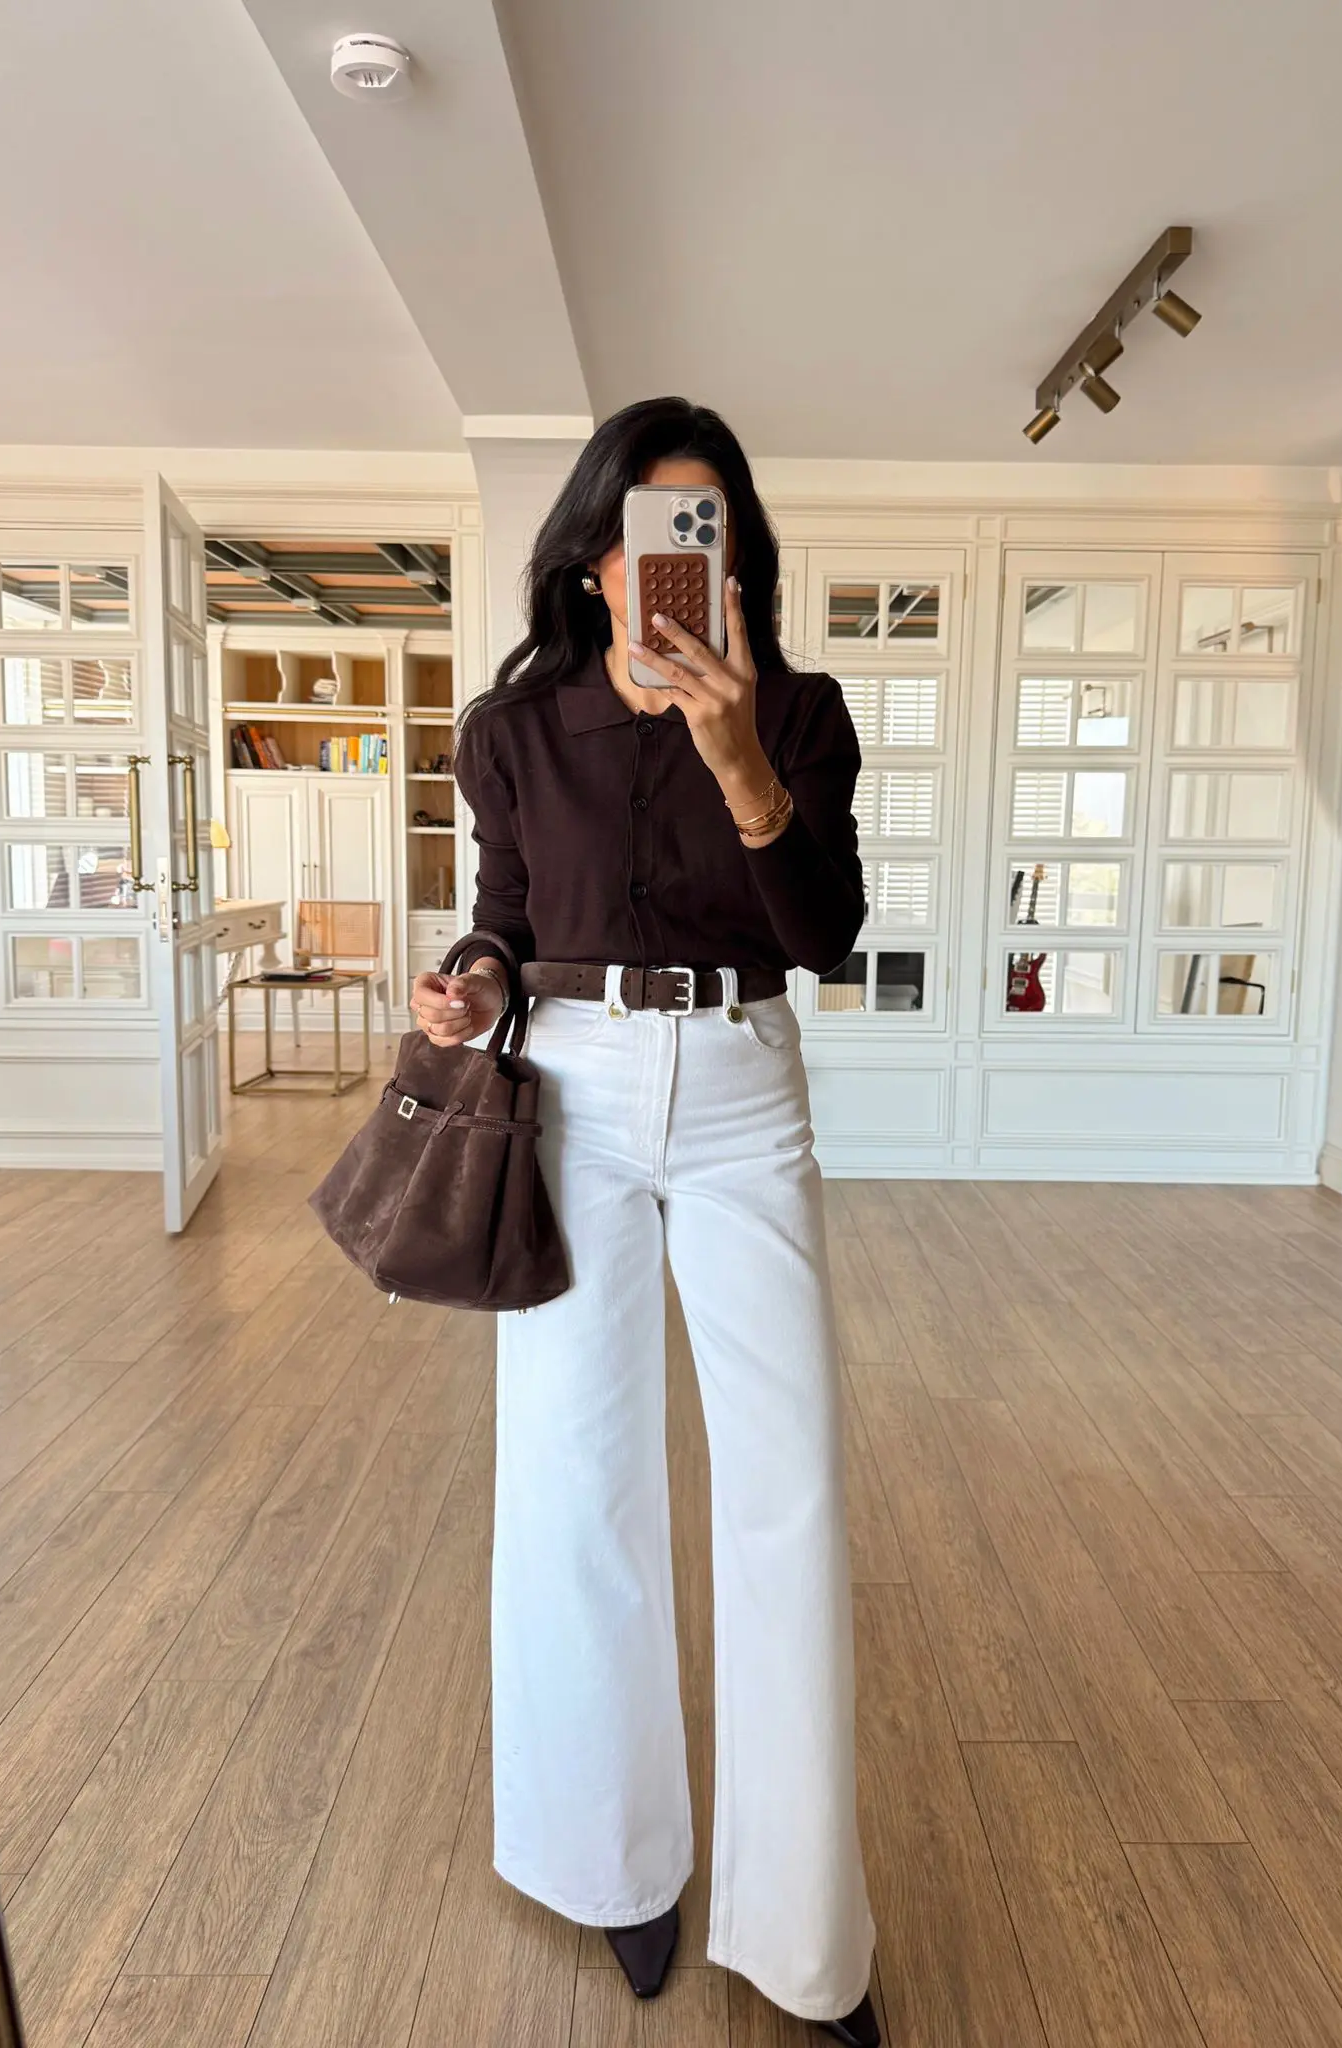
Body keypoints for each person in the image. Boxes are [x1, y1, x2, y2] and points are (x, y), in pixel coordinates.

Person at [410, 397, 878, 2044]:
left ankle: (806, 1934)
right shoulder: (514, 731)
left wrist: (740, 761)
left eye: (708, 529)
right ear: (593, 558)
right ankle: (612, 1864)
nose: (677, 558)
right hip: (576, 1089)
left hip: (745, 1081)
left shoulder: (799, 713)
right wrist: (469, 986)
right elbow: (506, 917)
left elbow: (824, 935)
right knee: (572, 1477)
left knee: (787, 1486)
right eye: (648, 531)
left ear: (733, 557)